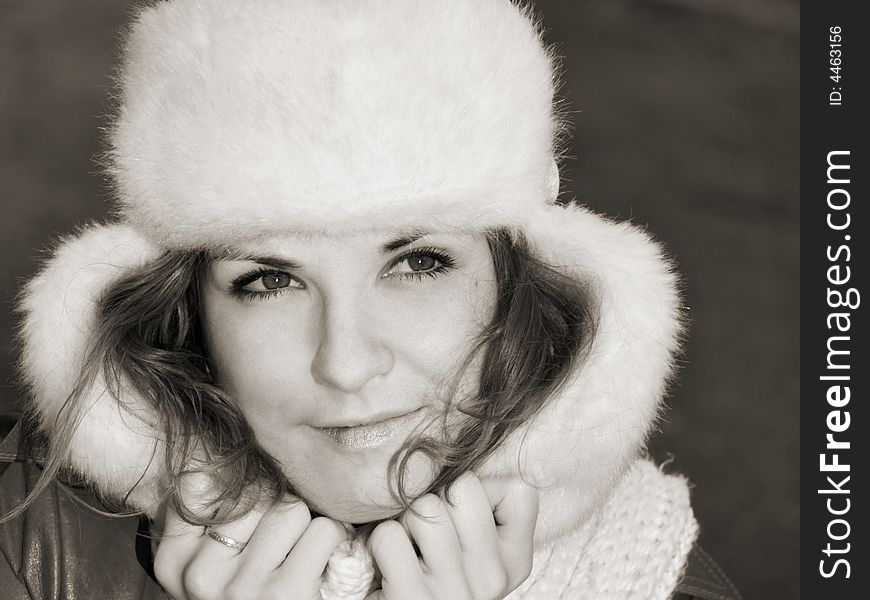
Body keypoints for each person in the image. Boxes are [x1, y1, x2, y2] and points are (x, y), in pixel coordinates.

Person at [0, 0, 741, 598]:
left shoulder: (656, 577)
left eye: (418, 264)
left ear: (516, 285)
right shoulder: (31, 539)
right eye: (270, 281)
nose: (347, 364)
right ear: (190, 310)